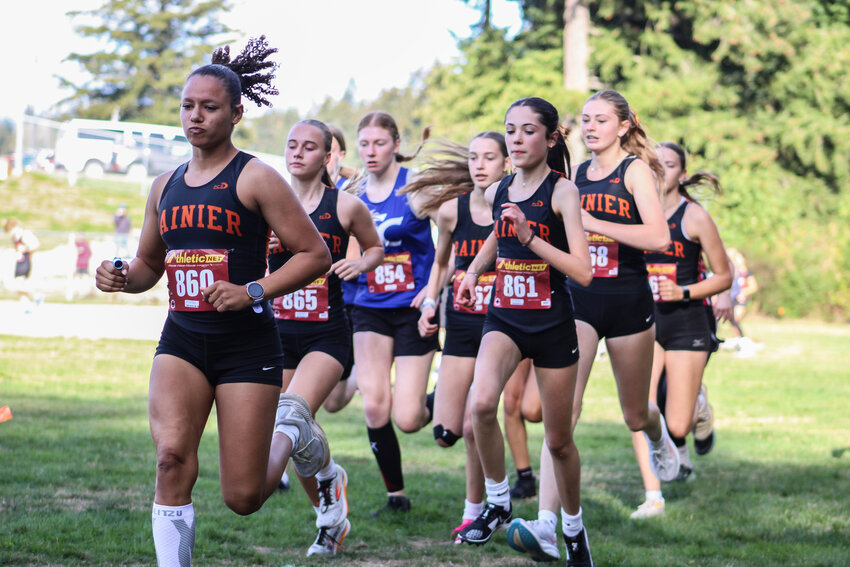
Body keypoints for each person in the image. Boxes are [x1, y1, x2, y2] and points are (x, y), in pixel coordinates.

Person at [94, 37, 333, 567]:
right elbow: (149, 267)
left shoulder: (257, 177)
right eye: (188, 105)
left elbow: (313, 254)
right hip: (182, 341)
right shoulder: (164, 186)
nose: (195, 116)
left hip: (247, 347)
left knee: (243, 498)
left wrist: (253, 290)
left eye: (209, 107)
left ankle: (290, 429)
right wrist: (118, 277)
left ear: (235, 112)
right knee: (171, 459)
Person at [509, 90, 678, 563]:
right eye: (585, 120)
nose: (591, 127)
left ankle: (658, 434)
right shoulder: (574, 176)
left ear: (623, 126)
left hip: (627, 304)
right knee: (565, 412)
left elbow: (659, 236)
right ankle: (546, 523)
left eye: (601, 120)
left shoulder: (635, 171)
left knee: (633, 415)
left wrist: (595, 222)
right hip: (578, 302)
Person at [453, 97, 594, 567]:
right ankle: (497, 501)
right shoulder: (502, 188)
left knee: (557, 441)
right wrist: (473, 272)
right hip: (505, 318)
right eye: (510, 129)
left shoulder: (562, 192)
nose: (516, 138)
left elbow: (584, 271)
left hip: (553, 324)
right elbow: (498, 233)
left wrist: (532, 238)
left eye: (528, 130)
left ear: (551, 138)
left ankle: (572, 530)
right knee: (479, 403)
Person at [267, 118, 384, 555]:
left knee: (291, 419)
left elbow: (375, 247)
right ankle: (331, 511)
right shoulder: (266, 202)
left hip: (326, 333)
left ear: (328, 156)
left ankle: (329, 510)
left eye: (309, 146)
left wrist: (361, 264)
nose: (297, 153)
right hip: (276, 333)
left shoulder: (345, 207)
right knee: (295, 434)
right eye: (292, 144)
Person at [403, 131, 511, 540]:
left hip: (503, 327)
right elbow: (441, 263)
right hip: (462, 324)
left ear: (506, 164)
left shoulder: (516, 210)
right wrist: (430, 303)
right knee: (447, 431)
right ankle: (444, 399)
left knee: (471, 425)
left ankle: (474, 511)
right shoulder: (452, 211)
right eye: (474, 157)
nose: (480, 164)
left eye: (489, 157)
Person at [628, 141, 732, 519]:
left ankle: (697, 405)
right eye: (653, 164)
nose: (659, 171)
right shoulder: (634, 214)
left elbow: (724, 276)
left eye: (668, 165)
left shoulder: (694, 217)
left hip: (688, 321)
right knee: (640, 409)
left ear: (682, 174)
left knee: (676, 425)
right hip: (644, 322)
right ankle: (653, 497)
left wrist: (684, 290)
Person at [349, 111, 438, 515]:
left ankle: (449, 399)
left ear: (396, 145)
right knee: (373, 405)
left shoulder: (416, 187)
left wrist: (434, 291)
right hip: (368, 307)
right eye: (364, 143)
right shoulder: (353, 192)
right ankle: (395, 495)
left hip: (412, 309)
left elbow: (455, 233)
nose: (371, 151)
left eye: (380, 143)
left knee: (407, 417)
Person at [727, 247, 759, 356]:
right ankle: (741, 341)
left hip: (740, 299)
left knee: (736, 319)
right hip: (730, 298)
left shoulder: (744, 271)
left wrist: (743, 292)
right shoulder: (729, 269)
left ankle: (743, 342)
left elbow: (753, 286)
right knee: (733, 321)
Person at [4, 218, 41, 310]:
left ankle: (36, 296)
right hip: (19, 263)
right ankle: (27, 306)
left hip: (25, 262)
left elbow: (35, 245)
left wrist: (25, 248)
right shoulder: (15, 237)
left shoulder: (24, 234)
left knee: (18, 285)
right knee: (19, 286)